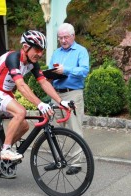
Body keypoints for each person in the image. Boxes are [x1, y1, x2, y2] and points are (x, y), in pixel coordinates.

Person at [0, 30, 70, 161]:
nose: (40, 54)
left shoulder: (32, 63)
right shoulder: (13, 58)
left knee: (24, 126)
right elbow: (21, 86)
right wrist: (40, 104)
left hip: (5, 92)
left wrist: (60, 101)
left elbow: (44, 82)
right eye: (37, 49)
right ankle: (5, 150)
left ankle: (1, 153)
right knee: (20, 112)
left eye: (42, 50)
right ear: (25, 47)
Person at [47, 23, 89, 175]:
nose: (63, 40)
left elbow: (84, 70)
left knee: (74, 128)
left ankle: (76, 163)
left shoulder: (81, 51)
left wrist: (67, 70)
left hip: (72, 93)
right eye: (60, 38)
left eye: (65, 37)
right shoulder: (56, 53)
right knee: (54, 128)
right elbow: (51, 69)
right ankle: (57, 159)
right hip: (56, 93)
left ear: (73, 36)